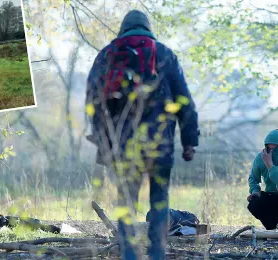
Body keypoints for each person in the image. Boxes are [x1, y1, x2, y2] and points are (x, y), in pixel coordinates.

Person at [85, 10, 200, 260]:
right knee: (159, 200)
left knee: (126, 202)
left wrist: (102, 143)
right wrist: (190, 141)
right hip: (160, 143)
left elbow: (93, 102)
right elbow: (185, 102)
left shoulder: (107, 54)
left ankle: (129, 256)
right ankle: (157, 255)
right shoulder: (164, 54)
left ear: (123, 29)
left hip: (123, 145)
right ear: (148, 28)